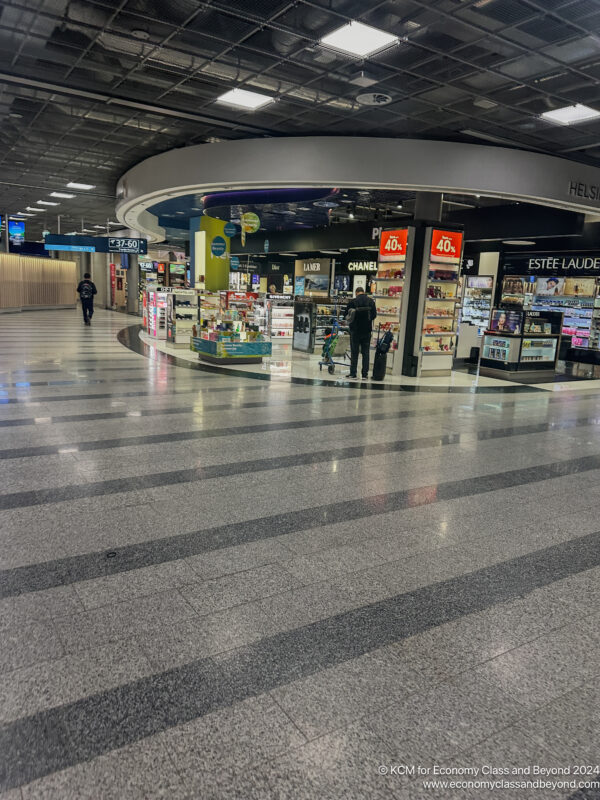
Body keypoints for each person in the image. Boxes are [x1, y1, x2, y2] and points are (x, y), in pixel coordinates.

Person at [345, 287, 377, 379]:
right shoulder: (371, 302)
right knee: (365, 353)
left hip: (355, 330)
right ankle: (364, 375)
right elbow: (374, 315)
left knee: (354, 352)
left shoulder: (352, 302)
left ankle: (353, 373)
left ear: (356, 293)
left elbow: (346, 315)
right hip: (367, 330)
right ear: (364, 292)